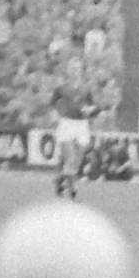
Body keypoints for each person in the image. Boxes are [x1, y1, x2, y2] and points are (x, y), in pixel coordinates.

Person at [50, 70, 95, 200]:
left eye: (77, 69)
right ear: (69, 72)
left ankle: (60, 178)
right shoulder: (61, 89)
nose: (75, 72)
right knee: (70, 158)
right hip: (67, 123)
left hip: (82, 124)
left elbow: (91, 106)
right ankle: (73, 189)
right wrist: (55, 115)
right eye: (72, 69)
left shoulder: (86, 89)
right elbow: (52, 104)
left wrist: (89, 111)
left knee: (77, 161)